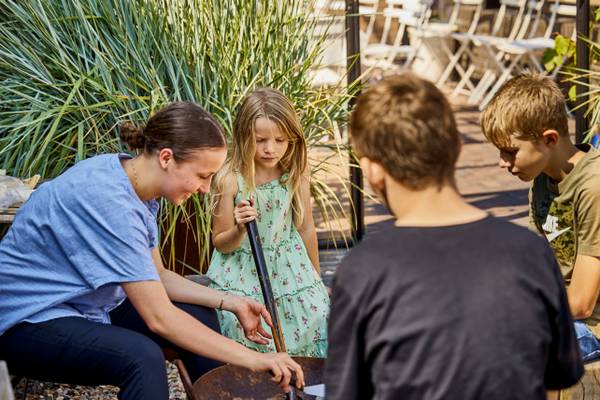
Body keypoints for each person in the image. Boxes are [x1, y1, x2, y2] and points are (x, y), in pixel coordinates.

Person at [0, 102, 304, 400]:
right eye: (202, 175)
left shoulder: (135, 184)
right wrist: (256, 359)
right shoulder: (111, 202)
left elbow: (158, 275)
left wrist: (231, 301)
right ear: (167, 158)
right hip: (26, 318)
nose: (206, 188)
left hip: (81, 301)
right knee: (141, 357)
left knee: (198, 313)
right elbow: (160, 318)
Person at [325, 73, 583, 400]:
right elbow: (557, 375)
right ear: (457, 149)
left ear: (372, 169)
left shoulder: (362, 271)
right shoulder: (531, 254)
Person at [481, 73, 600, 363]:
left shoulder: (593, 187)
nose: (502, 162)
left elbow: (583, 302)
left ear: (549, 139)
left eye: (510, 152)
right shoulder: (543, 179)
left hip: (590, 327)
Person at [207, 88, 329, 357]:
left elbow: (306, 227)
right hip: (243, 269)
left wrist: (316, 279)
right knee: (243, 329)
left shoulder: (295, 171)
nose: (270, 148)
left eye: (280, 139)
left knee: (317, 314)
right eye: (260, 139)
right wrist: (239, 229)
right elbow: (221, 243)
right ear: (243, 136)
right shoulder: (229, 179)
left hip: (290, 265)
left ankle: (303, 386)